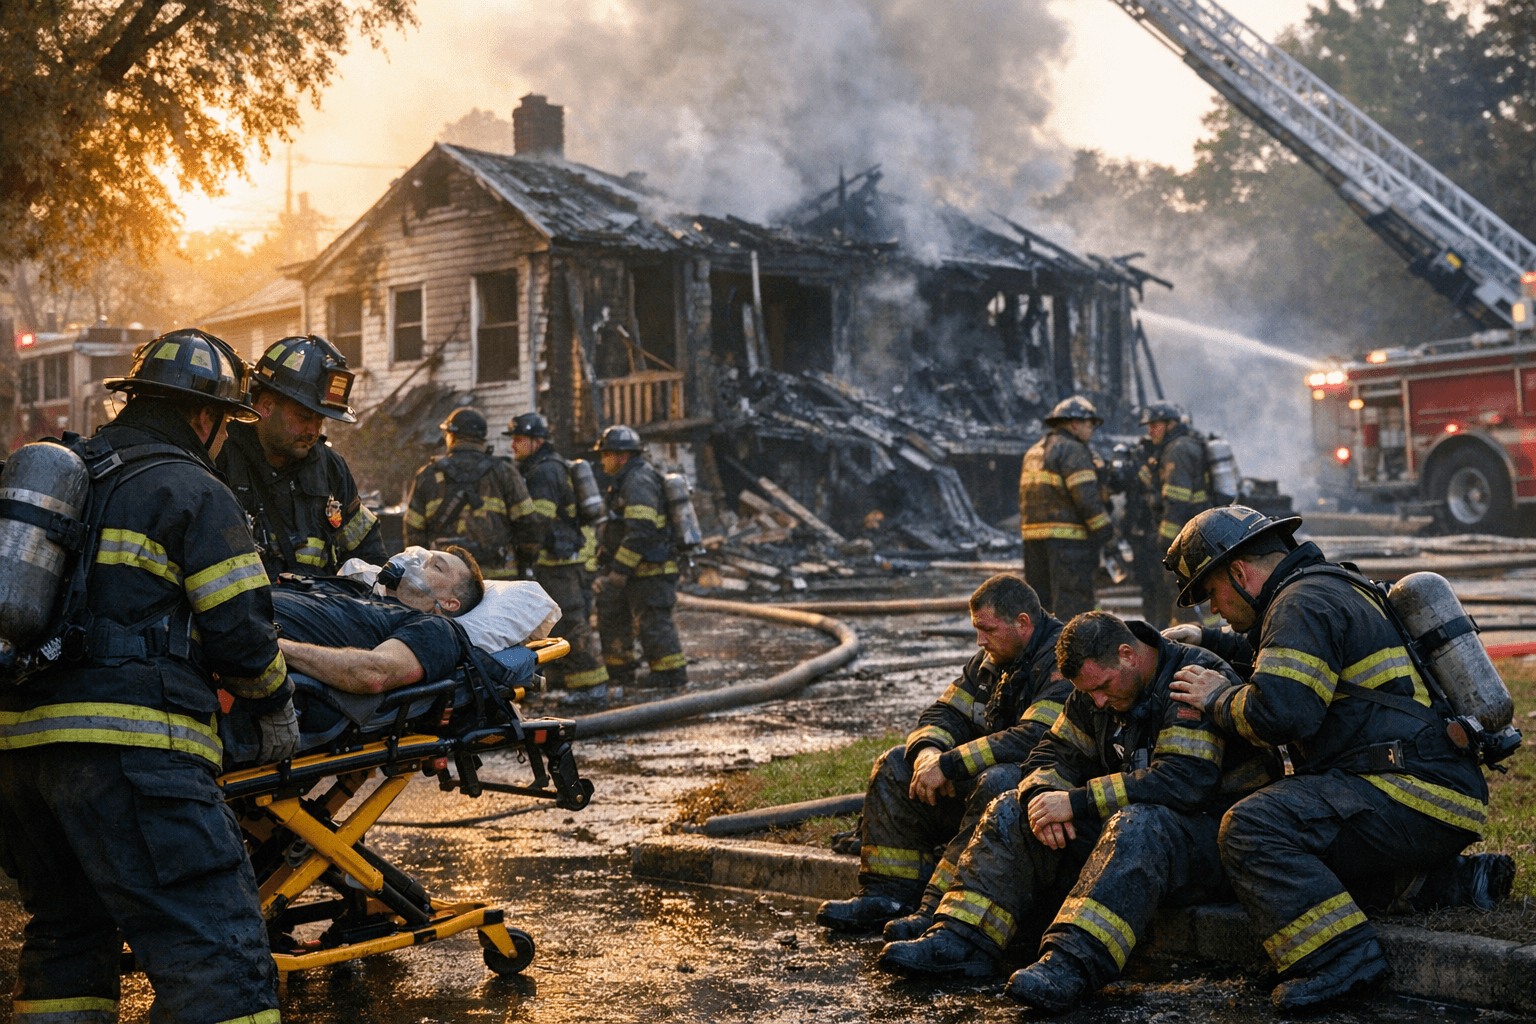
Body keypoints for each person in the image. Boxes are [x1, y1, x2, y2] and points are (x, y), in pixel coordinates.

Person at [0, 329, 295, 1022]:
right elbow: (242, 634)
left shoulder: (68, 475)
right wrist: (276, 703)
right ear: (206, 417)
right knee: (218, 960)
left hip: (19, 765)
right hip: (133, 763)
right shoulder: (192, 488)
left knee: (68, 934)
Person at [1163, 506, 1498, 1010]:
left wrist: (1215, 698)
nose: (1212, 610)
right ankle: (1441, 883)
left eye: (1211, 594)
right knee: (1298, 842)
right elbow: (1275, 656)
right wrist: (1208, 642)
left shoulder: (1300, 604)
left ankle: (1339, 960)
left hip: (1409, 791)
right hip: (1432, 789)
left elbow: (1282, 713)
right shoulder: (1324, 587)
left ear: (1238, 572)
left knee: (1255, 827)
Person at [877, 611, 1271, 1002]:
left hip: (1214, 839)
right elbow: (1049, 753)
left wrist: (1075, 802)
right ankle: (959, 939)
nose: (1098, 701)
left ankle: (1070, 963)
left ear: (1128, 655)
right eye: (1088, 693)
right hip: (1140, 832)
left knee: (1138, 822)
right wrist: (1041, 800)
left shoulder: (1192, 676)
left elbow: (1183, 782)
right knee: (1010, 807)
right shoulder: (1093, 691)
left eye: (1102, 687)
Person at [816, 574, 1071, 938]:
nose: (980, 640)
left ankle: (937, 908)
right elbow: (943, 713)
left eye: (987, 629)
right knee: (894, 764)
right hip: (984, 774)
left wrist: (949, 765)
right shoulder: (990, 660)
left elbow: (1033, 740)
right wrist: (926, 756)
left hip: (1037, 794)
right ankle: (886, 896)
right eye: (976, 630)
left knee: (996, 781)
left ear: (1023, 624)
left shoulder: (1062, 661)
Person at [217, 333, 385, 577]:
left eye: (321, 420)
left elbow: (369, 551)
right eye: (305, 417)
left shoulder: (330, 468)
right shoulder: (220, 458)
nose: (314, 431)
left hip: (315, 612)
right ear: (265, 406)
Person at [505, 412, 608, 697]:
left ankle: (593, 688)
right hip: (556, 559)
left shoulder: (544, 471)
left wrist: (522, 550)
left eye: (518, 439)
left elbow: (540, 519)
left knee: (572, 622)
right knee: (554, 624)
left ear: (536, 441)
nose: (513, 445)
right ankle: (568, 683)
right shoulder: (539, 467)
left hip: (559, 561)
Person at [593, 424, 687, 690]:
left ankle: (671, 675)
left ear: (621, 456)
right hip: (639, 568)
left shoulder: (638, 480)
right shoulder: (626, 479)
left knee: (653, 621)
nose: (602, 460)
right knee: (615, 615)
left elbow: (641, 529)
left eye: (606, 454)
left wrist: (620, 569)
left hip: (652, 569)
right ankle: (621, 672)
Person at [405, 407, 538, 573]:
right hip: (499, 580)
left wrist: (428, 572)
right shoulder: (505, 472)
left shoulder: (427, 476)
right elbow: (529, 526)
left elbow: (413, 534)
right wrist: (525, 565)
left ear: (451, 436)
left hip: (446, 583)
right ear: (483, 439)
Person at [1019, 396, 1113, 620]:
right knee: (1074, 607)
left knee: (1041, 608)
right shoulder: (1074, 450)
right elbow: (1086, 498)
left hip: (1033, 543)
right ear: (1074, 424)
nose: (1091, 430)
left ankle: (1045, 653)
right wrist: (1105, 532)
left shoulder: (1034, 451)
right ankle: (1073, 654)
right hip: (1069, 546)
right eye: (1089, 424)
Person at [1137, 401, 1211, 626]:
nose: (1150, 431)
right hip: (1195, 528)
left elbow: (1176, 500)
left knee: (1179, 587)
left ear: (1170, 425)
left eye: (1155, 425)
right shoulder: (1181, 445)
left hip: (1185, 532)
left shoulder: (1177, 450)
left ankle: (1190, 636)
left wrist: (1166, 540)